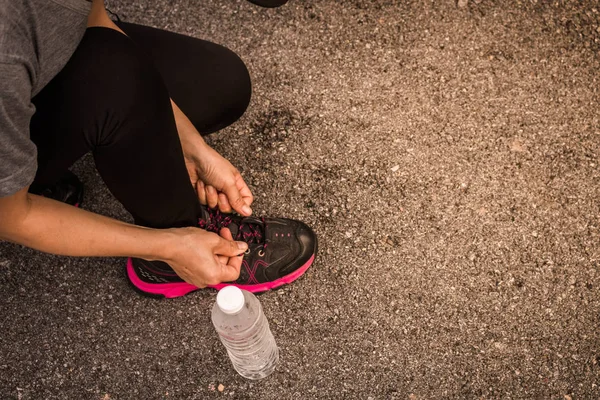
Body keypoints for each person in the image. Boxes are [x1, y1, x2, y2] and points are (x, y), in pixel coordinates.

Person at [0, 0, 316, 299]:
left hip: (28, 78)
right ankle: (170, 258)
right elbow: (10, 217)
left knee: (220, 84)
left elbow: (95, 24)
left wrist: (192, 146)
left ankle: (27, 170)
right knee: (112, 78)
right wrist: (166, 245)